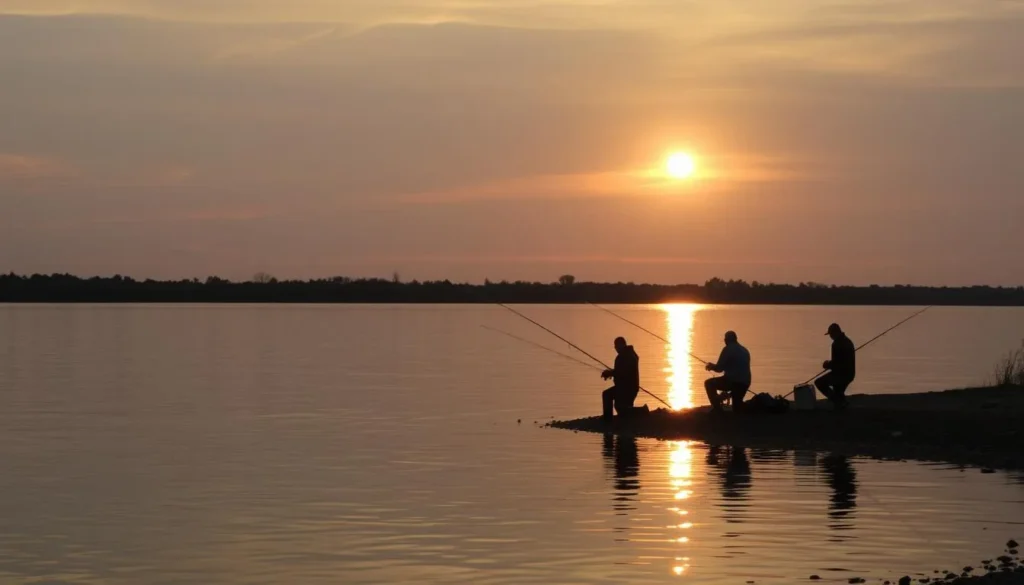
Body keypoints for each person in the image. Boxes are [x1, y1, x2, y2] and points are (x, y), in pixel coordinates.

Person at [704, 331, 752, 411]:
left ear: (726, 340)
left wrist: (711, 367)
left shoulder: (727, 349)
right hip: (745, 383)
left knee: (709, 383)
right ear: (736, 339)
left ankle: (717, 409)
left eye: (725, 339)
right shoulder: (744, 350)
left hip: (732, 382)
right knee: (737, 408)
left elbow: (719, 369)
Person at [816, 322, 856, 408]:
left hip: (841, 375)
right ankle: (841, 400)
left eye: (830, 334)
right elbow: (839, 361)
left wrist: (827, 364)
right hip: (850, 374)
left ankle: (837, 401)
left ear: (835, 333)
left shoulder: (836, 344)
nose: (830, 336)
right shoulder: (848, 341)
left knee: (819, 382)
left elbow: (836, 364)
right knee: (838, 389)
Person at [601, 337, 642, 420]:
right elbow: (620, 371)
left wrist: (611, 373)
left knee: (607, 395)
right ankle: (637, 412)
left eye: (617, 346)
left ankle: (607, 418)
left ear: (623, 345)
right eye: (615, 346)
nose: (616, 348)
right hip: (626, 388)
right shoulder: (628, 354)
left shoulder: (628, 356)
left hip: (627, 388)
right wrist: (611, 373)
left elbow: (624, 372)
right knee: (622, 409)